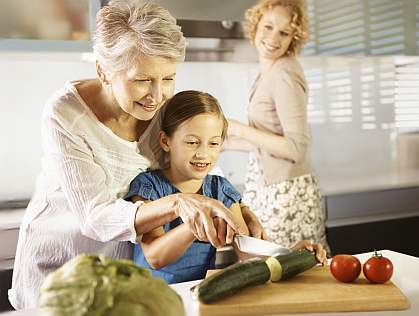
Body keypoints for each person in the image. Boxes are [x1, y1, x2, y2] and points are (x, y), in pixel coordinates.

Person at [9, 0, 265, 310]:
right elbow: (95, 216)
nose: (157, 96)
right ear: (104, 70)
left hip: (123, 274)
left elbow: (194, 164)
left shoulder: (157, 108)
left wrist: (238, 206)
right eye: (142, 80)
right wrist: (176, 203)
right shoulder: (65, 114)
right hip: (61, 270)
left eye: (168, 78)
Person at [224, 0, 330, 253]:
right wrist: (225, 144)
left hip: (286, 197)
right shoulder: (269, 69)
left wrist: (238, 128)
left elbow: (295, 148)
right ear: (256, 24)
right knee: (274, 272)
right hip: (272, 191)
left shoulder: (285, 73)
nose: (273, 37)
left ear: (294, 37)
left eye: (284, 32)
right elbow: (268, 140)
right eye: (268, 26)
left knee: (292, 275)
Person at [125, 90, 250, 284]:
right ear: (166, 141)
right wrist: (196, 223)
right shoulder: (148, 187)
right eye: (192, 142)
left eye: (214, 143)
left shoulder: (222, 189)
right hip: (157, 298)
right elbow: (155, 257)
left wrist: (294, 252)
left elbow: (246, 248)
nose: (203, 153)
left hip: (206, 299)